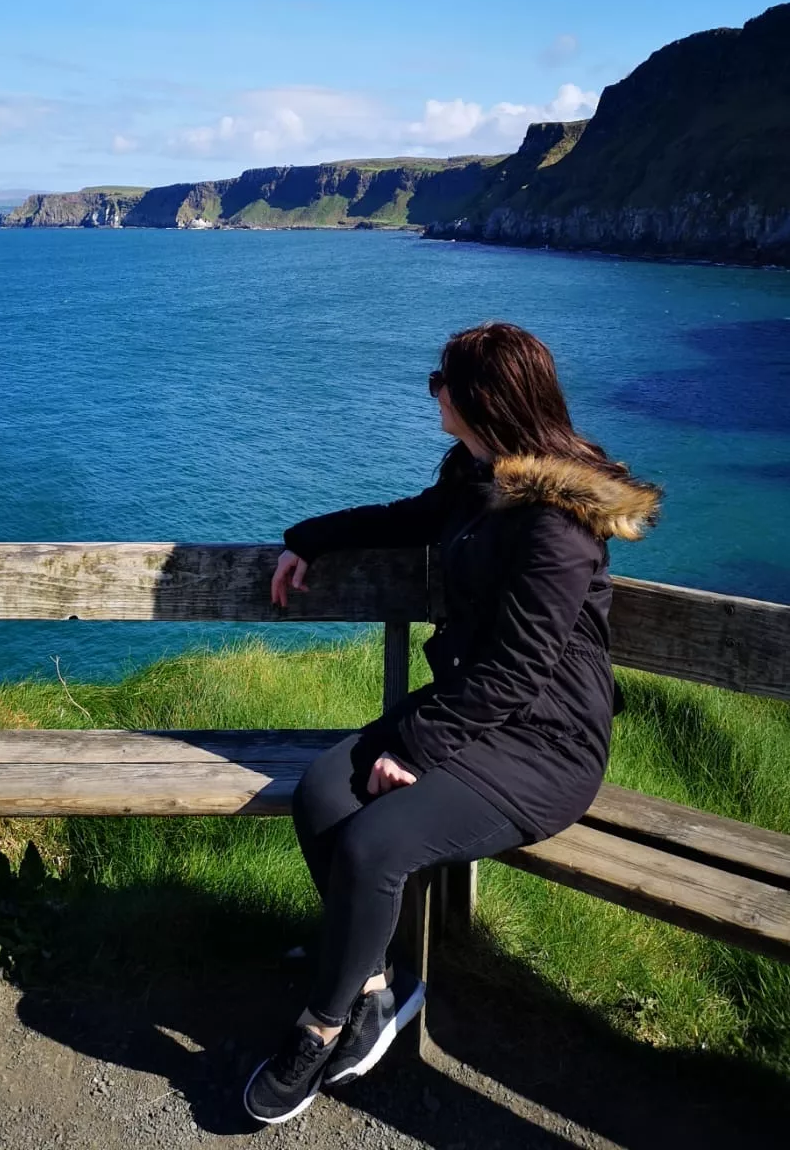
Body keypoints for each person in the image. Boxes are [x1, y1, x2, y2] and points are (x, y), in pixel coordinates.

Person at [243, 321, 662, 1125]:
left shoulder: (557, 522)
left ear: (482, 398)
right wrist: (309, 541)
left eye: (444, 378)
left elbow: (522, 668)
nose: (432, 386)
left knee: (373, 843)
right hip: (473, 708)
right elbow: (411, 518)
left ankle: (322, 1026)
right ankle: (371, 986)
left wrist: (414, 746)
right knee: (322, 794)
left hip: (546, 742)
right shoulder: (483, 475)